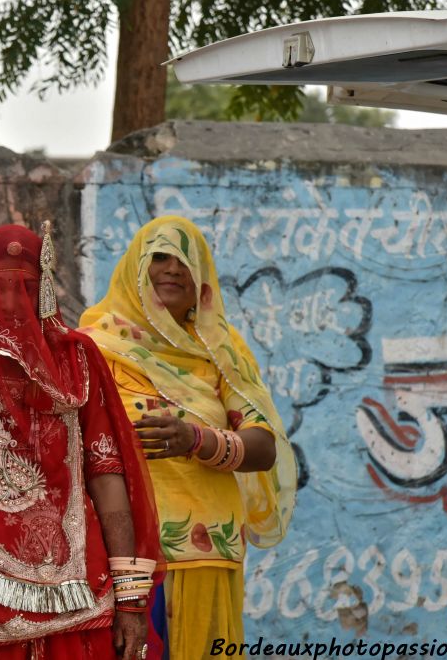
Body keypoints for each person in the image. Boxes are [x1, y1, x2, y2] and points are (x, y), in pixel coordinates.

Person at [0, 222, 164, 660]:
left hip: (81, 594)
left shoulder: (78, 360)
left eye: (26, 289)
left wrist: (130, 599)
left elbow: (106, 473)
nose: (11, 304)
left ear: (44, 291)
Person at [79, 215, 297, 660]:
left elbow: (264, 446)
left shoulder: (221, 347)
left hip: (205, 547)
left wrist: (196, 439)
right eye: (159, 257)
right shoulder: (94, 345)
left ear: (201, 276)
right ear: (135, 269)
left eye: (184, 260)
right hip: (120, 554)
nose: (173, 269)